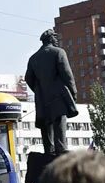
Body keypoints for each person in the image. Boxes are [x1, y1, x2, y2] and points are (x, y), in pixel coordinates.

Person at [24, 28, 78, 156]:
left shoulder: (33, 58)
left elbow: (28, 78)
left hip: (41, 97)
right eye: (55, 37)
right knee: (59, 119)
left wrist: (38, 90)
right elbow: (67, 74)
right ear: (50, 39)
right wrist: (73, 92)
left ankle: (49, 149)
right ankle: (61, 147)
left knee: (46, 123)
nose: (57, 40)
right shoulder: (58, 52)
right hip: (58, 94)